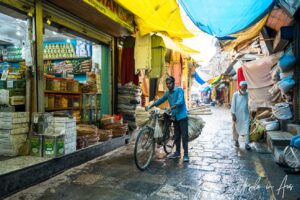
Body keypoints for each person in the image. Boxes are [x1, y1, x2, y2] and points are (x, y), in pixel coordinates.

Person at [146, 76, 189, 162]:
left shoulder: (179, 90)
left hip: (182, 116)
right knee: (177, 135)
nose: (168, 85)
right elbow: (161, 100)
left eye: (170, 83)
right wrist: (151, 105)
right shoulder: (167, 93)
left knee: (184, 136)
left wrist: (171, 107)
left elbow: (180, 101)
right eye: (167, 84)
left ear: (173, 83)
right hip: (174, 116)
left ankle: (186, 154)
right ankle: (177, 152)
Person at [231, 81, 251, 150]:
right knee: (236, 128)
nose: (245, 87)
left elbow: (250, 103)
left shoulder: (248, 94)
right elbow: (233, 104)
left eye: (246, 86)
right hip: (237, 115)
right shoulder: (235, 94)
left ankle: (247, 144)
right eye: (244, 86)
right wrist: (233, 114)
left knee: (246, 129)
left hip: (246, 115)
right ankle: (236, 141)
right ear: (240, 87)